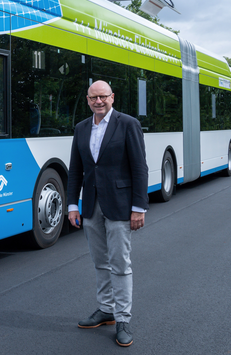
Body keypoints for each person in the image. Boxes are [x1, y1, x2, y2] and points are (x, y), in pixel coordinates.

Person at [67, 80, 148, 347]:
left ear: (112, 97)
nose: (98, 101)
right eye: (93, 98)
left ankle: (123, 318)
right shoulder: (81, 128)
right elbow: (75, 170)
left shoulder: (128, 124)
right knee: (100, 261)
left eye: (103, 96)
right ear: (88, 99)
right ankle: (106, 310)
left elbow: (139, 168)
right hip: (91, 205)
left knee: (120, 263)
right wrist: (72, 205)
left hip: (120, 205)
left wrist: (139, 207)